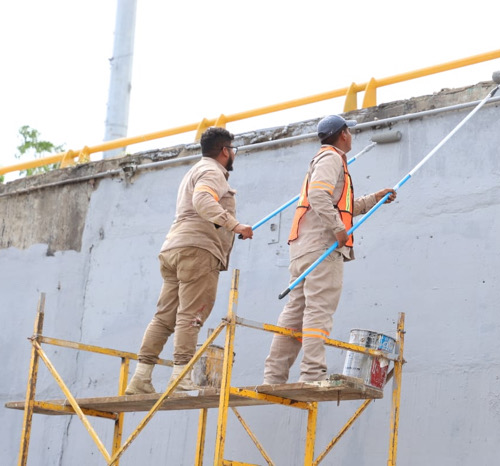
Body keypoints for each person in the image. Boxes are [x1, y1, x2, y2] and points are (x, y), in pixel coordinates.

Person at [262, 115, 396, 384]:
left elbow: (340, 205)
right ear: (343, 134)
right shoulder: (332, 158)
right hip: (322, 247)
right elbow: (319, 196)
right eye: (350, 131)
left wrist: (374, 199)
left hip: (305, 246)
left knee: (295, 312)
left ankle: (274, 378)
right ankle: (312, 373)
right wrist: (337, 229)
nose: (351, 136)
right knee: (318, 311)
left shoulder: (327, 160)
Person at [126, 127, 253, 395]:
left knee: (164, 317)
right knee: (191, 316)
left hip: (174, 248)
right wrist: (235, 225)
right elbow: (203, 201)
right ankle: (180, 377)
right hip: (198, 251)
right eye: (232, 150)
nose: (233, 154)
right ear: (224, 151)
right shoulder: (212, 172)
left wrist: (228, 227)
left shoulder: (194, 170)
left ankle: (141, 377)